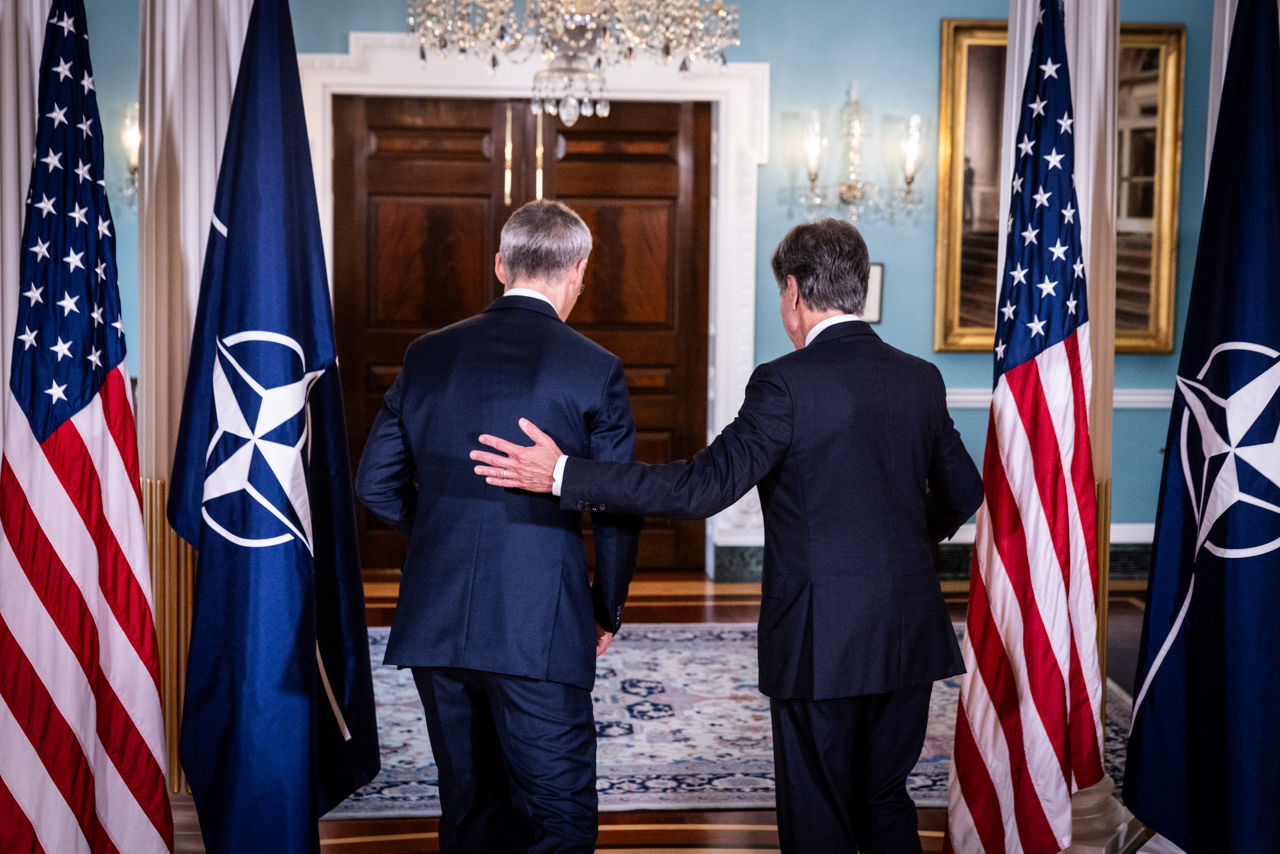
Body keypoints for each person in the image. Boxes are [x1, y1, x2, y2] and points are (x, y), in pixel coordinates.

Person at [470, 218, 984, 854]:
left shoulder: (786, 383)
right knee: (884, 799)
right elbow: (964, 493)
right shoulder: (919, 378)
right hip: (908, 627)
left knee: (819, 811)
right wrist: (903, 548)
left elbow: (700, 488)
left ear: (793, 292)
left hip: (820, 635)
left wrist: (565, 473)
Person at [355, 199, 641, 854]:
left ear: (499, 266)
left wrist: (439, 536)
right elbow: (618, 505)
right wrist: (606, 609)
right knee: (559, 813)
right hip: (538, 616)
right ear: (579, 269)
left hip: (438, 613)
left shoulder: (426, 354)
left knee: (470, 807)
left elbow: (374, 484)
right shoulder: (595, 367)